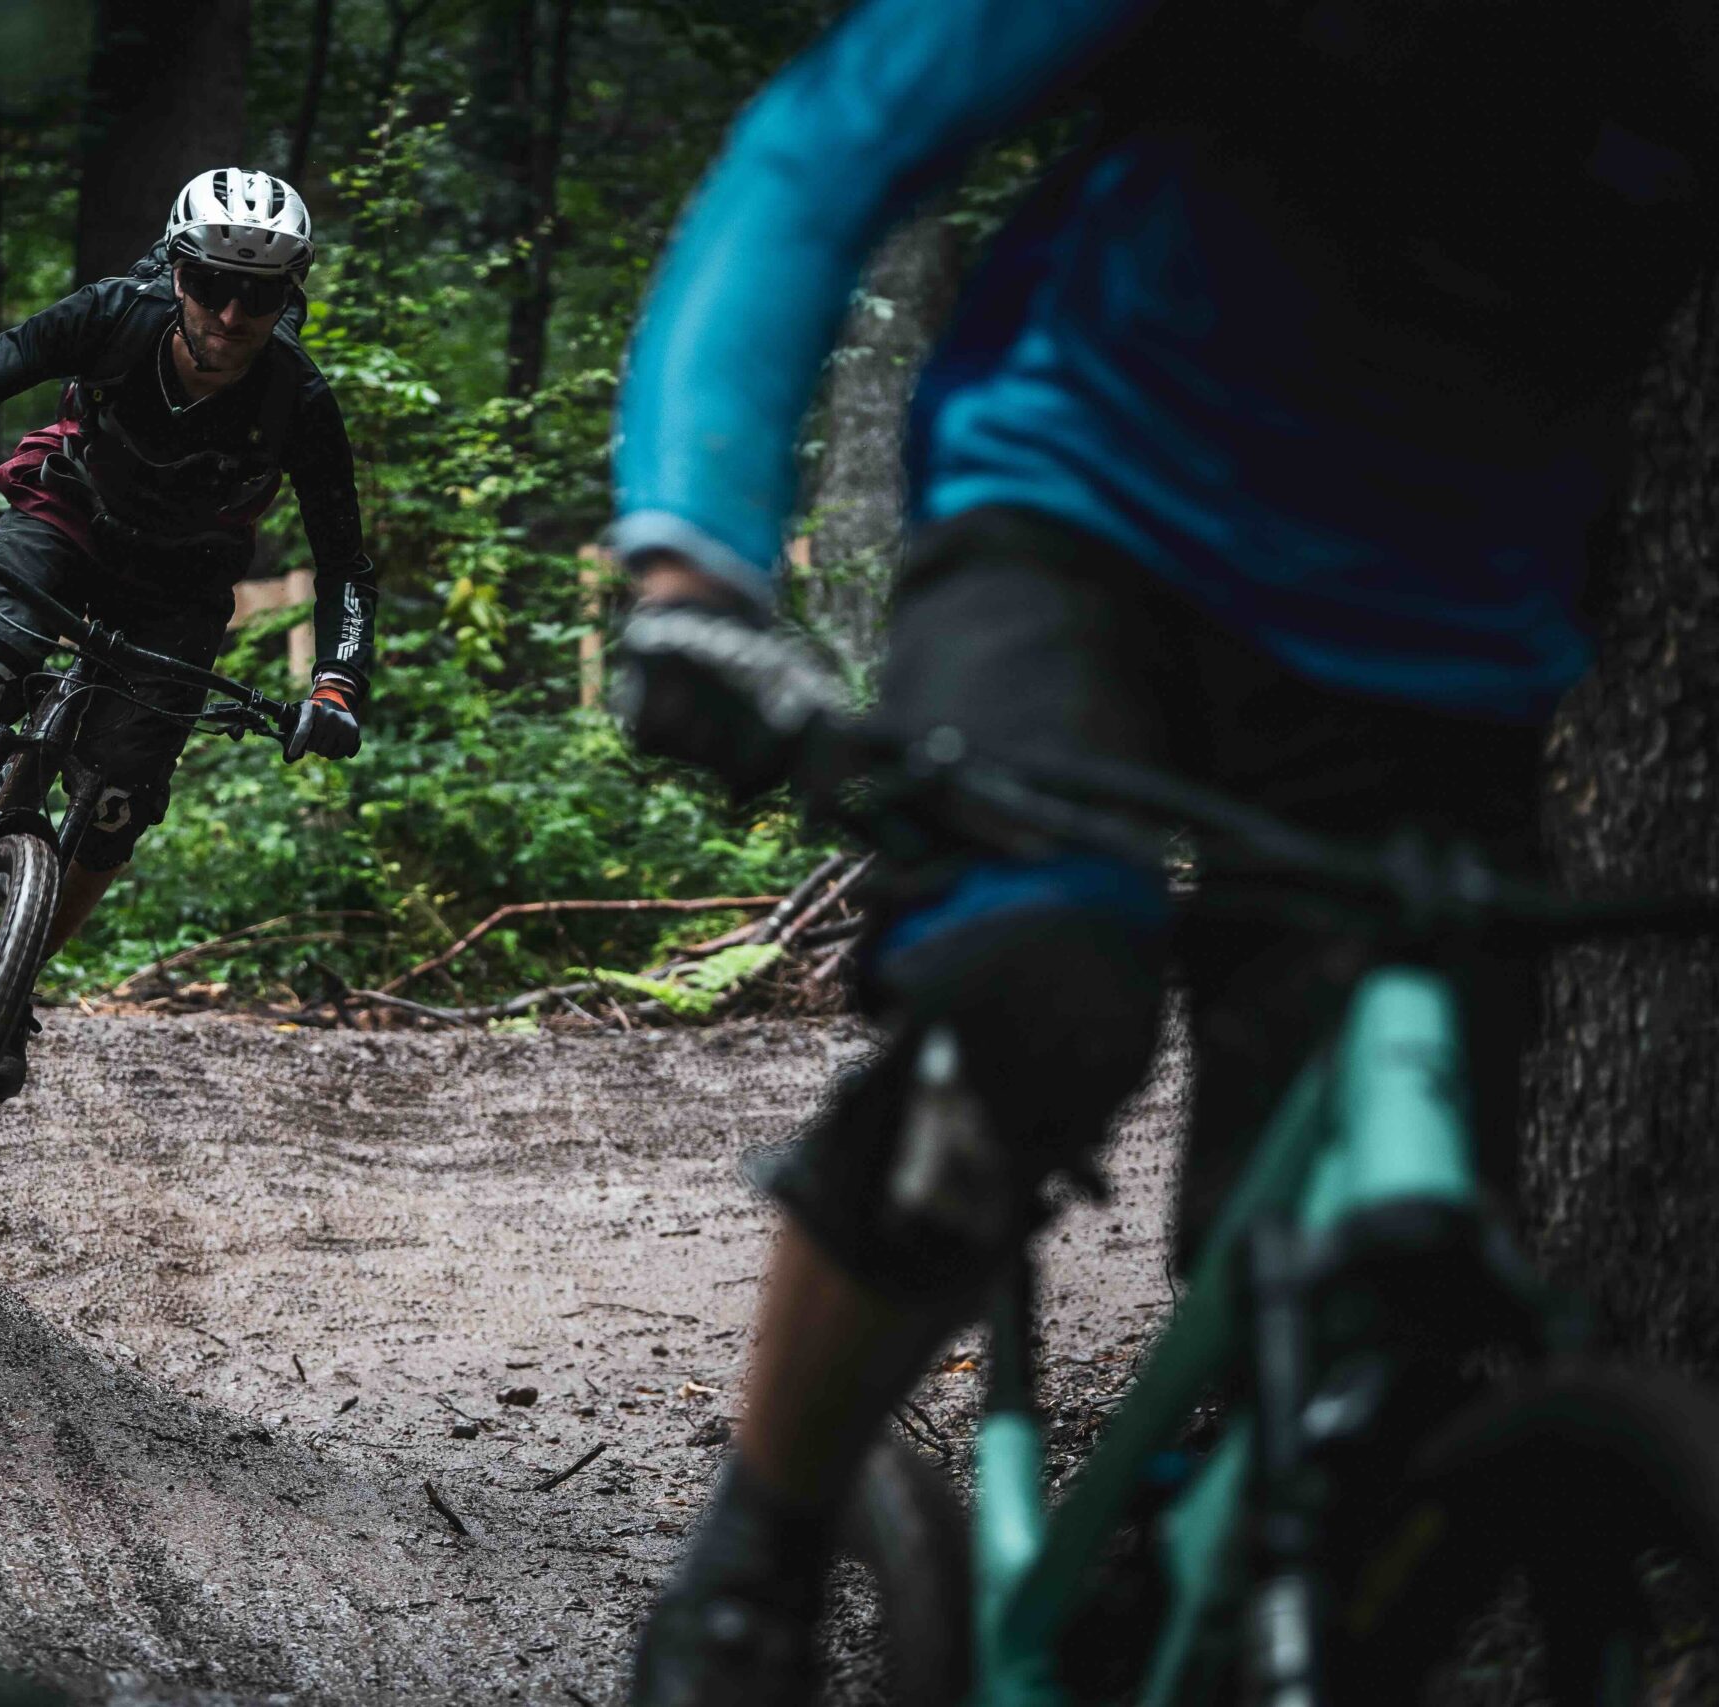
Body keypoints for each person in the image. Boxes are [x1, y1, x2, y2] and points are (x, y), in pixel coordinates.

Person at [603, 4, 1719, 1701]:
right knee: (1032, 986)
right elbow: (829, 141)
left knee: (1406, 1260)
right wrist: (694, 563)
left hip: (1444, 657)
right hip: (1083, 520)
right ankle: (754, 1560)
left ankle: (1202, 1579)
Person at [0, 167, 378, 1059]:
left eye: (257, 295)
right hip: (65, 518)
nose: (229, 314)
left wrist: (335, 685)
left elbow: (344, 565)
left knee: (119, 802)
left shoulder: (298, 398)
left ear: (288, 296)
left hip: (182, 583)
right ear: (178, 272)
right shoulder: (114, 315)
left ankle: (3, 990)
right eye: (211, 283)